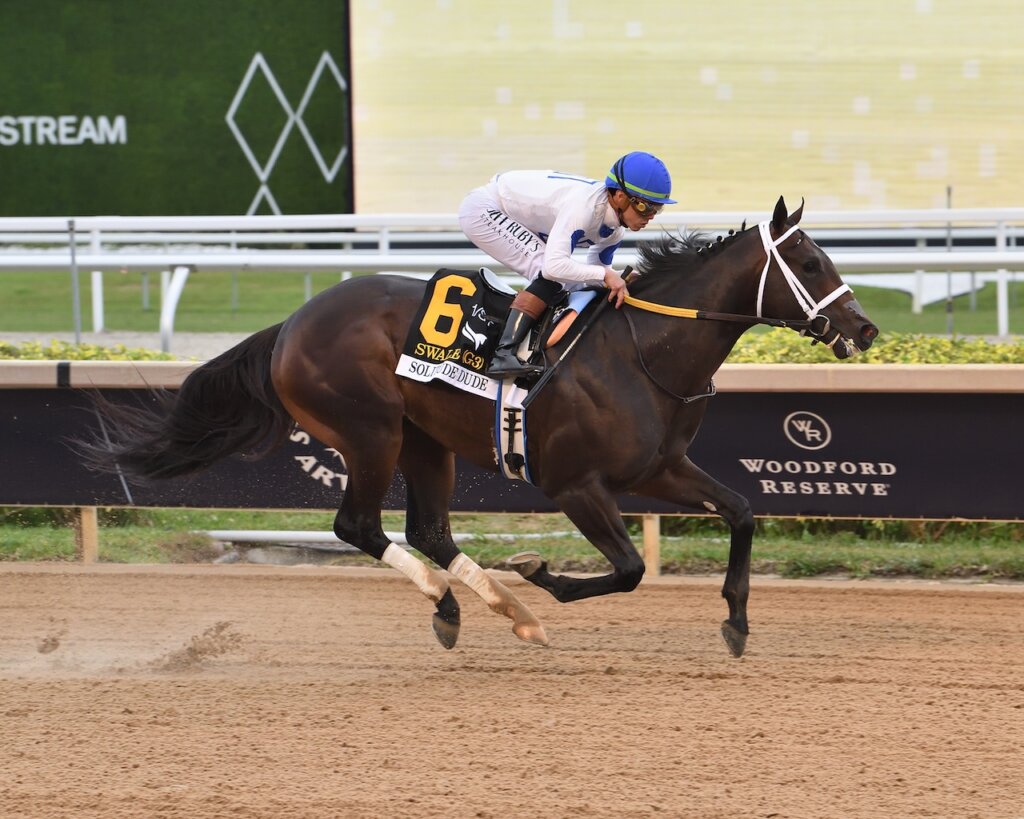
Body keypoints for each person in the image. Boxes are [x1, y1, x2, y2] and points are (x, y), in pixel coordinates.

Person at [458, 151, 676, 377]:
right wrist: (606, 275)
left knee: (574, 284)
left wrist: (619, 276)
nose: (651, 216)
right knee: (551, 275)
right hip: (484, 209)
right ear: (620, 197)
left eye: (657, 209)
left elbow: (595, 274)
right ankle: (503, 354)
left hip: (514, 215)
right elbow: (554, 268)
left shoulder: (615, 230)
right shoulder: (584, 209)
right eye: (646, 207)